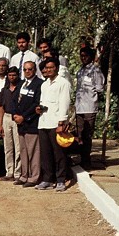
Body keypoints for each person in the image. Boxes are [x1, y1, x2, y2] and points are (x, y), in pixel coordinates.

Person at [36, 57, 72, 191]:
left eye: (51, 67)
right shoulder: (44, 84)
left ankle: (61, 180)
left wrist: (61, 122)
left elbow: (64, 104)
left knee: (59, 153)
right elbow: (42, 102)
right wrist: (38, 109)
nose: (48, 70)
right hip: (44, 121)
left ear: (56, 68)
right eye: (46, 68)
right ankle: (47, 179)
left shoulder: (63, 83)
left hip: (56, 122)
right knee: (45, 154)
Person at [14, 61, 43, 187]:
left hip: (31, 123)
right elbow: (17, 100)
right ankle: (24, 175)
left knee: (33, 152)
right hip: (20, 124)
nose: (27, 72)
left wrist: (24, 117)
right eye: (25, 69)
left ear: (35, 69)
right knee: (23, 151)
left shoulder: (39, 84)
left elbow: (36, 103)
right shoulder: (22, 84)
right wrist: (16, 116)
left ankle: (34, 177)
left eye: (30, 69)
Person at [75, 47, 104, 169]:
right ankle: (81, 159)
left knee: (87, 135)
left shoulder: (95, 70)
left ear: (91, 56)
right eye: (81, 55)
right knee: (79, 135)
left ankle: (87, 161)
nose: (83, 58)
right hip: (79, 107)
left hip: (89, 107)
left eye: (85, 55)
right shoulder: (80, 70)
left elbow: (100, 88)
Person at [0, 66, 22, 182]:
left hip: (16, 117)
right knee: (8, 147)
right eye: (10, 75)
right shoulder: (5, 89)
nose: (12, 77)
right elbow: (1, 107)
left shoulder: (21, 88)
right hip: (6, 117)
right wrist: (0, 124)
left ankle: (18, 173)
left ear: (17, 75)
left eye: (14, 75)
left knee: (18, 147)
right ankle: (9, 172)